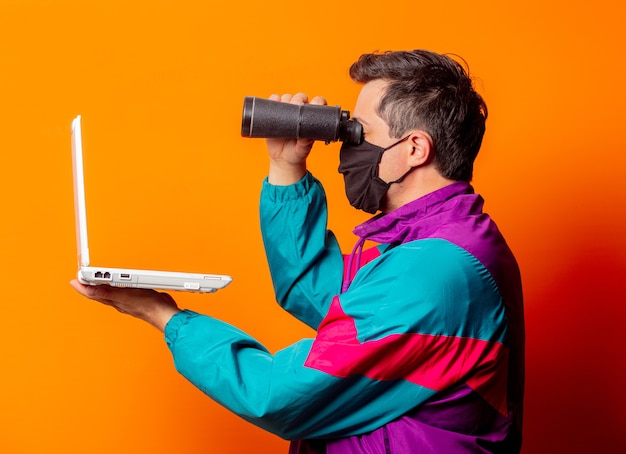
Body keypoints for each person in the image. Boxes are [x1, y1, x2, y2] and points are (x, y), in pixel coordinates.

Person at [71, 49, 525, 453]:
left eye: (359, 133)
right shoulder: (434, 243)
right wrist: (286, 166)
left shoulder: (435, 271)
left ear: (413, 149)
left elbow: (277, 395)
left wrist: (164, 316)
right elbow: (320, 294)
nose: (347, 147)